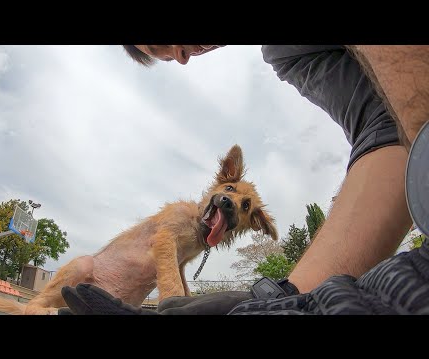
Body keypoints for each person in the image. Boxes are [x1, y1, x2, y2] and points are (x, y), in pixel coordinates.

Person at [58, 45, 429, 315]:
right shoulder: (290, 56)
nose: (181, 56)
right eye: (167, 56)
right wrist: (286, 297)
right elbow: (387, 130)